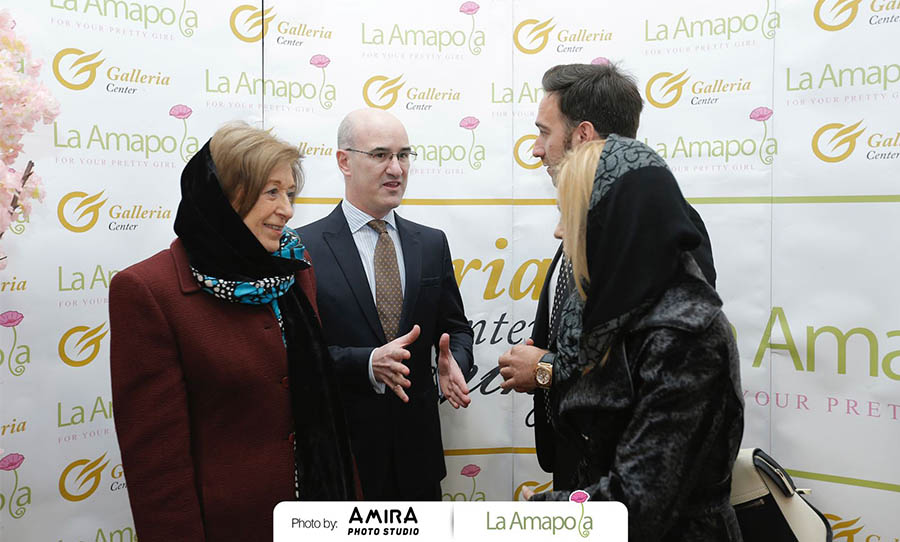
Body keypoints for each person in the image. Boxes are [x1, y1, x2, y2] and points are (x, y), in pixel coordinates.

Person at [109, 122, 358, 542]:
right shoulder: (148, 290)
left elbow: (324, 409)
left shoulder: (294, 269)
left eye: (290, 194)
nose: (287, 210)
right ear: (224, 195)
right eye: (272, 192)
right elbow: (156, 466)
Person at [498, 62, 717, 489]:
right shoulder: (593, 216)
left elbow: (661, 363)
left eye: (544, 132)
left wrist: (544, 369)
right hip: (578, 461)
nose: (536, 150)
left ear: (582, 135)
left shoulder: (660, 228)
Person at [527, 137, 744, 542]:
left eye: (568, 216)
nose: (559, 232)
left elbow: (635, 507)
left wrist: (522, 520)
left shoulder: (685, 338)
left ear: (612, 224)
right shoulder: (617, 313)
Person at [296, 108, 474, 501]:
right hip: (343, 462)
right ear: (344, 161)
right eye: (380, 155)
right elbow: (297, 354)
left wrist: (455, 362)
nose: (396, 169)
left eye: (404, 155)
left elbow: (456, 328)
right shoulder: (302, 248)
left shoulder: (431, 244)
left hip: (418, 461)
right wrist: (367, 363)